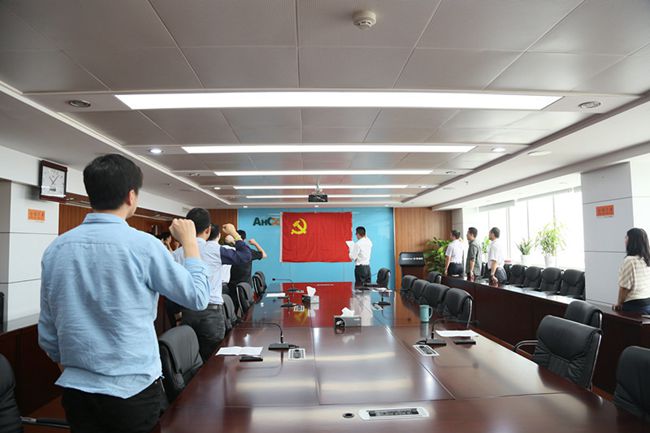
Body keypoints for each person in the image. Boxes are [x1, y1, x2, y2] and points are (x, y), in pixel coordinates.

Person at [38, 154, 211, 433]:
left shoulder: (56, 248)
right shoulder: (143, 246)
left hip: (77, 390)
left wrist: (78, 371)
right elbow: (198, 297)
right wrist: (190, 243)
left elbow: (48, 331)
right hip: (132, 390)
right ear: (131, 196)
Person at [173, 210, 252, 361]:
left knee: (190, 359)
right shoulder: (215, 250)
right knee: (213, 362)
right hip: (211, 313)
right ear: (208, 230)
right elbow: (245, 256)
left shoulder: (177, 254)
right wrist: (234, 234)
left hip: (187, 312)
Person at [613, 228, 650, 314]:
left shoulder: (630, 260)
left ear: (632, 241)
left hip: (634, 305)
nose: (625, 240)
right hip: (647, 302)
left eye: (626, 237)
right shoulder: (647, 259)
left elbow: (624, 287)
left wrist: (619, 304)